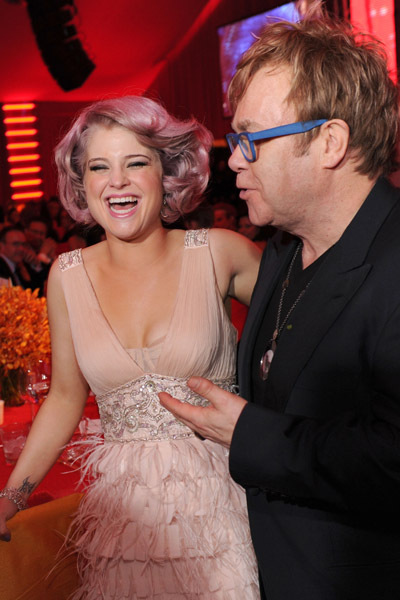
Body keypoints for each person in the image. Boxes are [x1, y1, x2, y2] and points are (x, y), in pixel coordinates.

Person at [159, 10, 400, 600]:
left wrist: (247, 433)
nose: (233, 159)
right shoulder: (280, 253)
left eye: (250, 140)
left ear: (330, 143)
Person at [0, 96, 261, 599]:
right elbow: (64, 398)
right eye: (100, 167)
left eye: (135, 162)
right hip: (125, 523)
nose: (116, 180)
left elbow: (311, 317)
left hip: (224, 505)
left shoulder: (219, 252)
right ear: (83, 184)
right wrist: (13, 494)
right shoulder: (66, 276)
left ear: (167, 173)